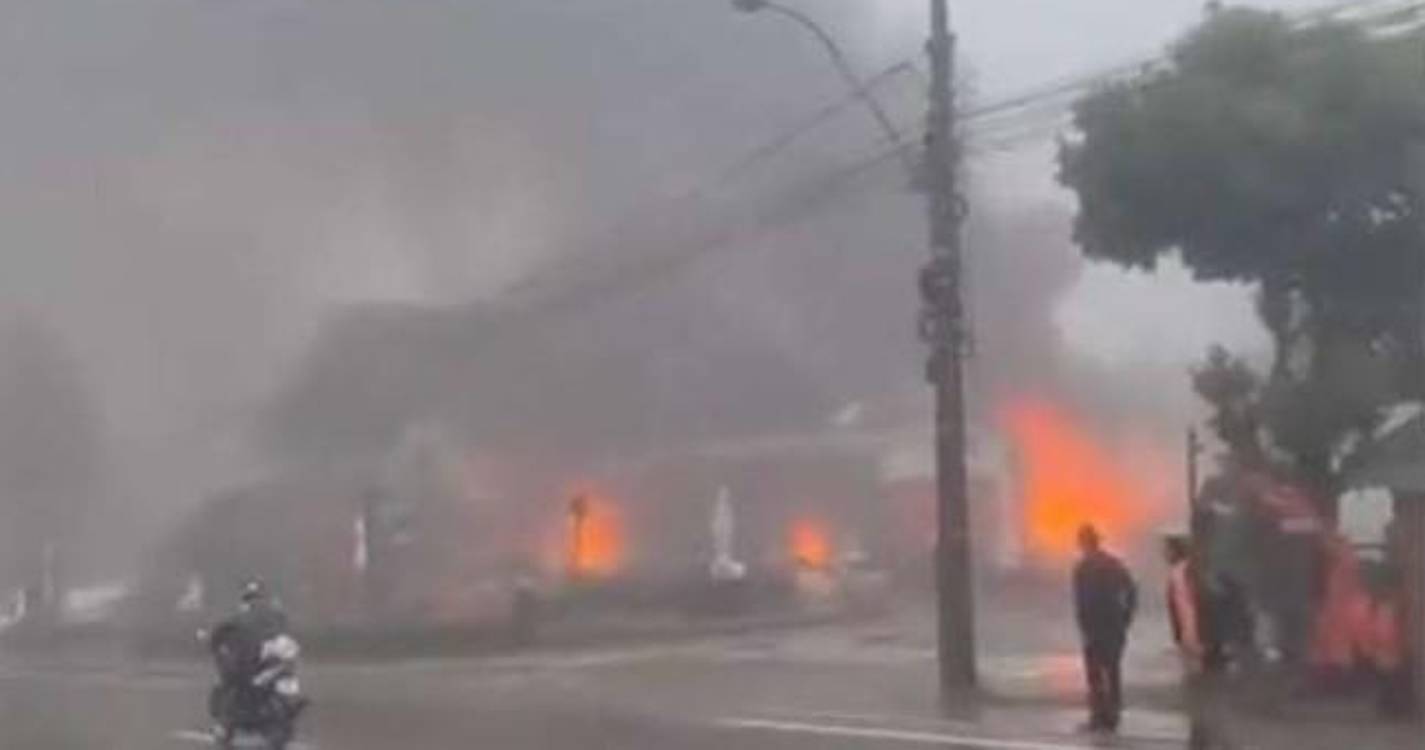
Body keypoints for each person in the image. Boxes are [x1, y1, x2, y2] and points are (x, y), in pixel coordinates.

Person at [1072, 524, 1138, 733]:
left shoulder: (1082, 568)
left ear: (1083, 543)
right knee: (1113, 670)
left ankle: (1098, 716)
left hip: (1094, 627)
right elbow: (1132, 590)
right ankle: (1113, 714)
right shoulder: (1114, 564)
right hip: (1114, 625)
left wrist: (1084, 627)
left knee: (1095, 674)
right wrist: (1126, 617)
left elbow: (1082, 603)